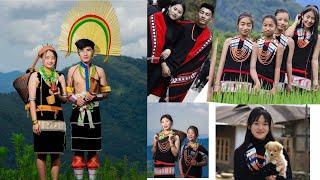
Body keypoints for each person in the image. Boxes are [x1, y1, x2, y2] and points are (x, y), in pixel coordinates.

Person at [66, 39, 111, 180]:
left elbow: (106, 92)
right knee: (78, 152)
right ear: (78, 52)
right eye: (82, 50)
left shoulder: (100, 71)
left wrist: (94, 96)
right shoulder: (72, 70)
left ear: (93, 52)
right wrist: (75, 99)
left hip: (94, 113)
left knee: (93, 151)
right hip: (77, 113)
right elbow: (68, 94)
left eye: (88, 50)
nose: (85, 53)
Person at [152, 3, 214, 102]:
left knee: (167, 103)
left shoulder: (208, 41)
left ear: (211, 19)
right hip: (163, 65)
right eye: (202, 12)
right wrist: (163, 63)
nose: (203, 16)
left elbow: (197, 64)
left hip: (180, 75)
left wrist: (178, 77)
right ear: (198, 13)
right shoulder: (184, 25)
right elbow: (165, 42)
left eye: (207, 14)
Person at [28, 45, 67, 180]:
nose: (50, 60)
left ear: (56, 59)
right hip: (41, 118)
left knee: (56, 154)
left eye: (53, 57)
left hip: (58, 118)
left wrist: (58, 94)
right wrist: (34, 122)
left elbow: (65, 99)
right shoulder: (36, 76)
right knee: (42, 153)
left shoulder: (60, 76)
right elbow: (32, 100)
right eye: (47, 57)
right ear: (42, 59)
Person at [234, 107, 292, 180]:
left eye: (265, 124)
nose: (260, 128)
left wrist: (277, 178)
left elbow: (289, 177)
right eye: (256, 123)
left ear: (269, 127)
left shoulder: (279, 150)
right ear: (249, 126)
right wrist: (267, 170)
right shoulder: (240, 152)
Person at [211, 12, 257, 94]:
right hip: (227, 78)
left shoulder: (253, 45)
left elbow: (252, 68)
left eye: (248, 25)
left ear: (252, 27)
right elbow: (222, 63)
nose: (245, 27)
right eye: (242, 24)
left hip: (245, 81)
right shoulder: (229, 41)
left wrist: (257, 82)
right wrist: (217, 83)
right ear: (237, 25)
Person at [147, 0, 185, 96]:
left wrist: (170, 49)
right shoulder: (155, 17)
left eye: (179, 12)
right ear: (169, 7)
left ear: (181, 15)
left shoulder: (179, 28)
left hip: (158, 64)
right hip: (149, 58)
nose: (175, 13)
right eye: (174, 9)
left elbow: (173, 44)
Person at [285, 5, 320, 91]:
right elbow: (287, 36)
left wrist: (315, 80)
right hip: (287, 71)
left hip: (304, 73)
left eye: (313, 18)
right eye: (307, 17)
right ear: (302, 16)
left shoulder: (317, 37)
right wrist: (295, 22)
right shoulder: (294, 30)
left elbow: (315, 59)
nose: (309, 20)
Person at [251, 15, 284, 93]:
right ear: (262, 26)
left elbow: (277, 68)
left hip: (269, 81)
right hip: (254, 79)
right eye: (265, 25)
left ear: (276, 28)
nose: (267, 28)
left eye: (271, 26)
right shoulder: (256, 42)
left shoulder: (279, 46)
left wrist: (275, 86)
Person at [274, 9, 295, 91]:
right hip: (265, 73)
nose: (282, 22)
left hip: (281, 75)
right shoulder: (266, 37)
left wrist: (290, 83)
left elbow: (289, 63)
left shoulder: (289, 41)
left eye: (285, 20)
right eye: (279, 19)